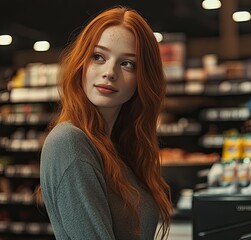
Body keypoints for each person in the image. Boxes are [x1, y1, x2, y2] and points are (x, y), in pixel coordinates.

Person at [36, 6, 172, 240]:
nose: (109, 72)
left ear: (143, 78)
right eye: (98, 57)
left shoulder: (119, 147)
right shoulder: (69, 142)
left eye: (127, 63)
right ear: (82, 63)